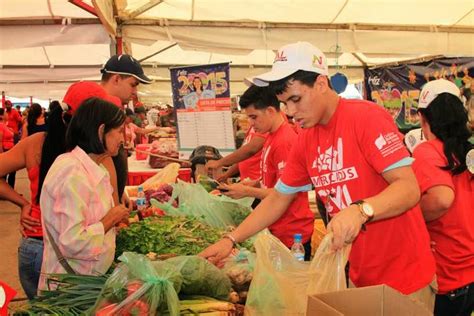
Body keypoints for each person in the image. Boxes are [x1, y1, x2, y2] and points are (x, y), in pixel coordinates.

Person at [200, 42, 436, 311]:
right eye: (284, 103)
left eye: (296, 99)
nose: (289, 111)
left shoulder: (366, 118)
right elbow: (278, 197)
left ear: (321, 84)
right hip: (359, 276)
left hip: (405, 277)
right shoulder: (306, 139)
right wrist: (231, 240)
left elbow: (408, 188)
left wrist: (361, 210)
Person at [38, 98, 129, 290]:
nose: (124, 138)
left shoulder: (93, 168)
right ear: (101, 131)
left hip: (86, 280)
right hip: (70, 288)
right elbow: (73, 241)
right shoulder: (72, 173)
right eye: (120, 131)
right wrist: (110, 220)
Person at [218, 85, 314, 259]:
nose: (251, 124)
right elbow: (276, 180)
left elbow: (286, 193)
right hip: (277, 227)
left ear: (270, 110)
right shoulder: (271, 136)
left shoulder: (285, 142)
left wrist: (247, 191)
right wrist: (254, 183)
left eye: (254, 117)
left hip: (291, 233)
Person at [411, 79, 474, 316]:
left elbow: (441, 199)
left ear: (422, 117)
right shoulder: (467, 152)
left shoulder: (427, 151)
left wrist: (410, 213)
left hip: (446, 278)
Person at [0, 106, 66, 299]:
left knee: (39, 309)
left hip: (34, 243)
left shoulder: (34, 143)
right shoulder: (86, 149)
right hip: (69, 247)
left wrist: (23, 203)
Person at [100, 54, 152, 200]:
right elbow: (99, 157)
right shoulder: (97, 110)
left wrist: (119, 190)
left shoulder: (114, 106)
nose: (135, 92)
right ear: (116, 79)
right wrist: (115, 195)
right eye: (133, 84)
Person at [4, 100, 22, 188]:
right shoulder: (4, 113)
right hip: (5, 135)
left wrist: (17, 131)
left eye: (8, 104)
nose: (7, 106)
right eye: (6, 104)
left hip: (13, 135)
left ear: (11, 105)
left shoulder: (14, 112)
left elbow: (20, 120)